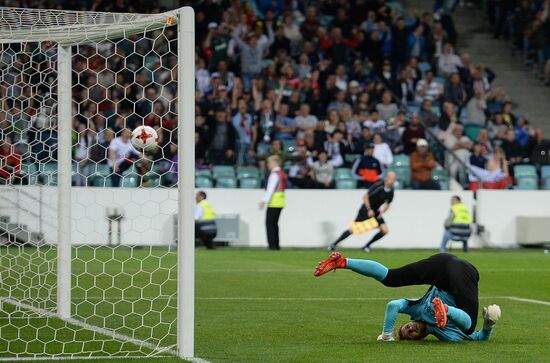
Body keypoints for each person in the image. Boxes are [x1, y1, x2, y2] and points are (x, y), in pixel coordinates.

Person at [314, 252, 501, 342]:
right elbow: (479, 338)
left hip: (442, 265)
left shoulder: (417, 309)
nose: (410, 329)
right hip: (462, 274)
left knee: (391, 277)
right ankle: (446, 310)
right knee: (468, 330)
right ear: (420, 337)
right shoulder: (446, 334)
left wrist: (387, 335)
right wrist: (488, 325)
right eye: (411, 334)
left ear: (407, 321)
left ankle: (344, 262)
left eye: (404, 328)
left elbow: (393, 305)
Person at [328, 171, 396, 253]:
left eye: (394, 179)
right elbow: (365, 196)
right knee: (353, 229)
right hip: (365, 210)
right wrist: (369, 209)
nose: (393, 181)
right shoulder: (378, 186)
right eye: (391, 179)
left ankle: (366, 246)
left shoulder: (391, 190)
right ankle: (333, 244)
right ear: (386, 178)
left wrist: (382, 211)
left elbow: (388, 203)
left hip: (376, 211)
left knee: (384, 230)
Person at [259, 155, 287, 250]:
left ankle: (272, 245)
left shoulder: (274, 174)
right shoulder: (281, 173)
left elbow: (270, 189)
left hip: (274, 202)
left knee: (270, 224)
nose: (268, 165)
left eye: (269, 163)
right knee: (274, 224)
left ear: (275, 162)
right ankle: (276, 245)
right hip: (281, 201)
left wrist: (264, 201)